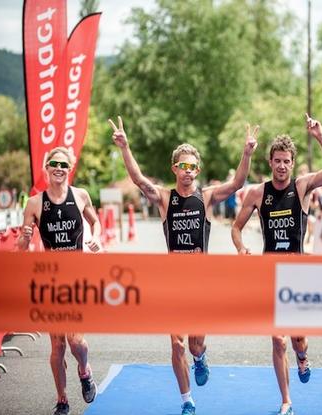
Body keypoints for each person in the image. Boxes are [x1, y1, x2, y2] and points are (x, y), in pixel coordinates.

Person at [110, 116, 258, 415]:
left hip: (200, 281)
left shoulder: (206, 198)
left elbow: (238, 183)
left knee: (194, 345)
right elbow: (139, 180)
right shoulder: (165, 199)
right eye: (183, 166)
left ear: (197, 170)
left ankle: (201, 358)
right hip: (172, 281)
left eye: (192, 167)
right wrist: (125, 147)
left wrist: (246, 153)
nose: (188, 172)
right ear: (174, 168)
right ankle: (187, 400)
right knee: (177, 344)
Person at [231, 114, 322, 415]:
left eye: (286, 161)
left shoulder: (302, 187)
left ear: (292, 163)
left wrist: (319, 136)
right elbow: (236, 227)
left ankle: (303, 356)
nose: (281, 166)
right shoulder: (258, 193)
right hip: (271, 274)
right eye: (277, 160)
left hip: (299, 273)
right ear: (270, 162)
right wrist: (241, 248)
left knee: (297, 339)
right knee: (278, 340)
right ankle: (286, 401)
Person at [17, 147, 101, 415]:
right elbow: (21, 247)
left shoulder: (80, 196)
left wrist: (95, 237)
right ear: (46, 167)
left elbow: (95, 222)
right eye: (53, 163)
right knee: (57, 345)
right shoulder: (34, 203)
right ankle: (62, 400)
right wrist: (24, 236)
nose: (58, 168)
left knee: (77, 342)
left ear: (70, 168)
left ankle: (85, 372)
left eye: (63, 164)